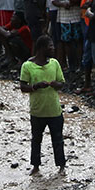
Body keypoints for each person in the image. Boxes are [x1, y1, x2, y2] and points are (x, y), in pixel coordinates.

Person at [19, 34, 65, 176]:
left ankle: (62, 166)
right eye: (50, 46)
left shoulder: (54, 63)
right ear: (41, 48)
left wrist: (56, 84)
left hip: (54, 110)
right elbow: (23, 87)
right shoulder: (27, 66)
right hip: (37, 111)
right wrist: (36, 86)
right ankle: (36, 166)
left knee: (58, 139)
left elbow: (62, 83)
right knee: (36, 139)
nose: (53, 48)